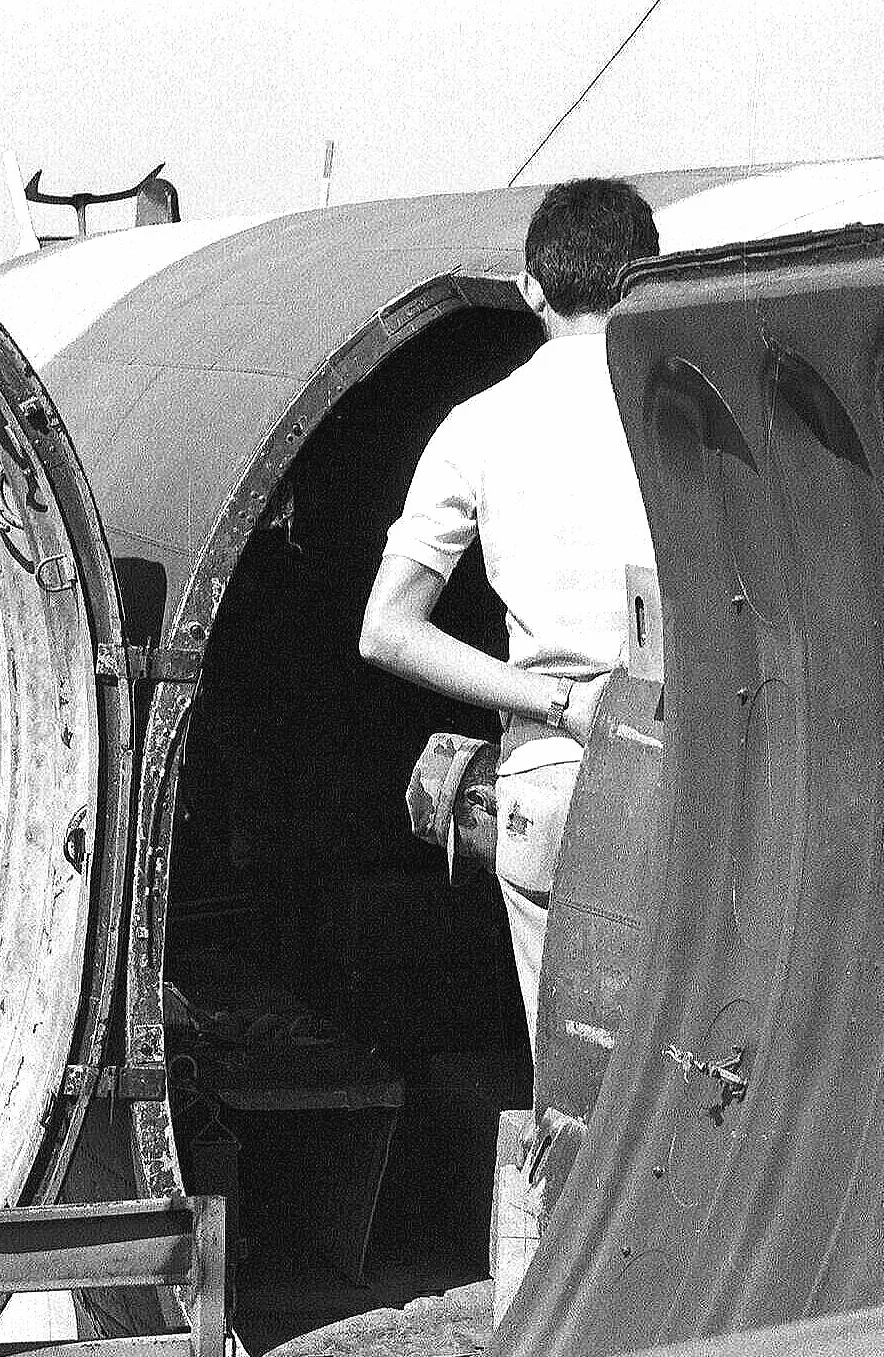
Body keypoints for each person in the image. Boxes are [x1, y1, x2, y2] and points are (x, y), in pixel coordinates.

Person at [359, 177, 660, 1055]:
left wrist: (559, 704)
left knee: (572, 1092)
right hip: (684, 770)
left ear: (530, 288)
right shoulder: (687, 414)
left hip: (550, 775)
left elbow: (387, 629)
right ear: (646, 278)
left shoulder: (475, 426)